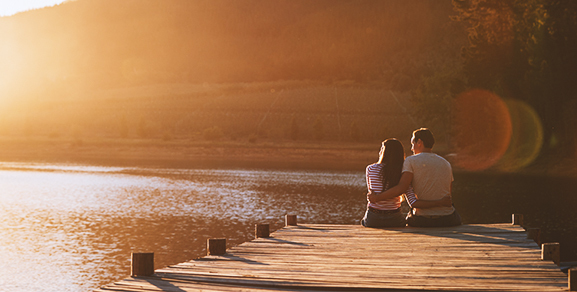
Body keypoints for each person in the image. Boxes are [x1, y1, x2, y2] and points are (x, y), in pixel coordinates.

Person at [368, 128, 460, 227]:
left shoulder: (411, 161)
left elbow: (401, 188)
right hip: (448, 219)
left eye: (413, 144)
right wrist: (441, 203)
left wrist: (377, 198)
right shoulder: (446, 163)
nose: (412, 148)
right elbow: (448, 195)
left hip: (422, 220)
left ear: (419, 142)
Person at [361, 138, 410, 227]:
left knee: (363, 222)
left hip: (373, 218)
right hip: (394, 218)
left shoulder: (370, 168)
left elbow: (372, 191)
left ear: (383, 152)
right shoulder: (403, 170)